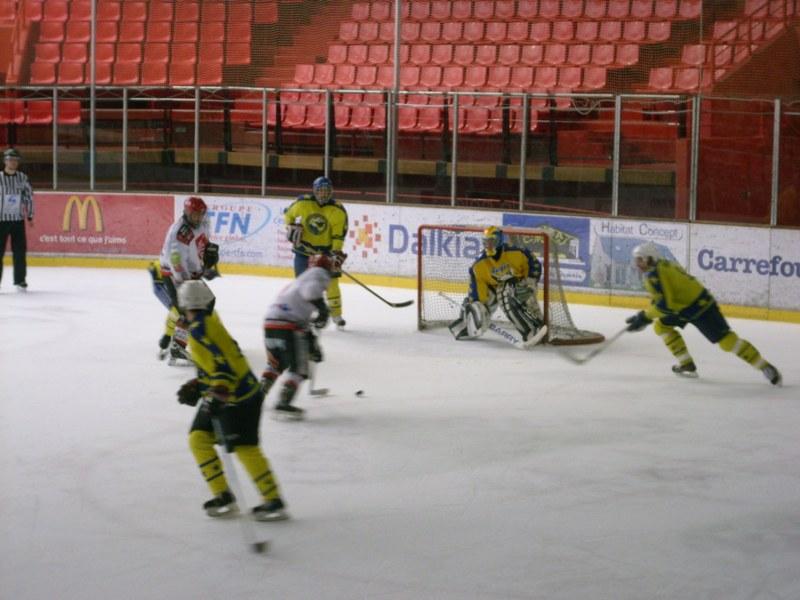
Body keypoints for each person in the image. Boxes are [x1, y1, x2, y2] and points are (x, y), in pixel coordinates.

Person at [175, 279, 288, 521]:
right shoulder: (206, 323)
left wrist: (217, 392)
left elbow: (224, 366)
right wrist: (200, 385)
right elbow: (216, 364)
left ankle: (273, 500)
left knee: (246, 448)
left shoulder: (200, 330)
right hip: (228, 394)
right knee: (198, 438)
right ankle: (223, 495)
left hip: (240, 399)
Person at [625, 241, 782, 385]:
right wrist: (644, 317)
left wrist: (645, 317)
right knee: (661, 327)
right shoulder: (654, 271)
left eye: (640, 259)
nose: (637, 263)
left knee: (728, 342)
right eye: (636, 260)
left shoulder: (659, 273)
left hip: (701, 307)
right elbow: (661, 300)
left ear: (649, 258)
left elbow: (667, 304)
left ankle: (764, 366)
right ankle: (686, 364)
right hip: (683, 308)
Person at [261, 252, 346, 420]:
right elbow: (311, 293)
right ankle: (283, 403)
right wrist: (322, 309)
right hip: (288, 326)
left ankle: (257, 395)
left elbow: (303, 319)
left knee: (276, 363)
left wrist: (312, 344)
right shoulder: (319, 274)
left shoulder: (303, 277)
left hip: (270, 323)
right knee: (299, 369)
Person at [148, 196, 219, 364]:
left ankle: (193, 341)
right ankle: (179, 346)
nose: (198, 218)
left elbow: (202, 241)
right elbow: (176, 263)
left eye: (200, 214)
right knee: (190, 307)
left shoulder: (202, 221)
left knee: (208, 301)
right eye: (195, 215)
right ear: (186, 212)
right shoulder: (178, 234)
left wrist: (208, 252)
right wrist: (186, 285)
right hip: (175, 276)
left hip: (191, 273)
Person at [449, 226, 545, 344]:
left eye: (492, 241)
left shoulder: (517, 252)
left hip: (518, 287)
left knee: (508, 291)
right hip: (494, 290)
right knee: (477, 307)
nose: (488, 245)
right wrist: (475, 308)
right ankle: (467, 326)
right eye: (486, 242)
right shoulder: (478, 265)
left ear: (499, 240)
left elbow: (534, 264)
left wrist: (530, 283)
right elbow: (478, 292)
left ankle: (533, 328)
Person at [284, 176, 348, 327]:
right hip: (303, 251)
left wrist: (335, 253)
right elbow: (288, 215)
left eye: (326, 191)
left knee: (332, 283)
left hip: (325, 252)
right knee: (302, 284)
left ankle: (336, 315)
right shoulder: (303, 203)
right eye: (320, 190)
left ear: (331, 191)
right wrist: (291, 226)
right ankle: (304, 314)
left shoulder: (338, 210)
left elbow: (338, 235)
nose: (323, 194)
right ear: (314, 190)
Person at [0, 148, 34, 291]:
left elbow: (29, 196)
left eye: (15, 160)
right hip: (1, 220)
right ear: (4, 161)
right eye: (10, 159)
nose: (12, 162)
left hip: (17, 220)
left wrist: (30, 215)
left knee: (20, 251)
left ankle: (20, 280)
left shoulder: (22, 178)